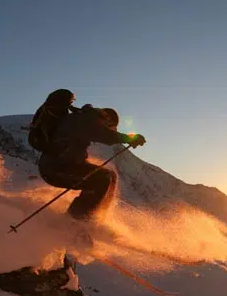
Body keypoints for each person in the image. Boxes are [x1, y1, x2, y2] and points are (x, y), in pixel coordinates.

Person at [34, 89, 146, 222]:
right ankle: (74, 220)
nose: (107, 129)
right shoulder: (83, 121)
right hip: (56, 168)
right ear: (105, 119)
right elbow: (104, 135)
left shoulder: (82, 120)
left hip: (62, 165)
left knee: (109, 175)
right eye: (108, 126)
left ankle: (95, 216)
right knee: (101, 178)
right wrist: (129, 138)